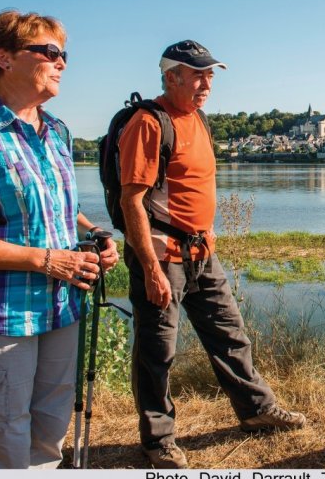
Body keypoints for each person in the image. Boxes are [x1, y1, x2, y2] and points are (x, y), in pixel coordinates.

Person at [0, 10, 120, 469]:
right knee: (0, 441)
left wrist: (94, 233)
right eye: (50, 52)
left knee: (48, 434)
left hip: (60, 310)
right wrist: (47, 261)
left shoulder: (56, 132)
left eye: (64, 54)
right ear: (4, 57)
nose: (62, 63)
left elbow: (57, 209)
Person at [118, 40, 306, 469]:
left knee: (230, 334)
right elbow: (132, 201)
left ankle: (257, 409)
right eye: (198, 75)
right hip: (163, 256)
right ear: (171, 77)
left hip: (203, 252)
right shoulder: (150, 123)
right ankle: (158, 439)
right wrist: (150, 267)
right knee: (157, 350)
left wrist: (206, 233)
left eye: (210, 75)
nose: (207, 84)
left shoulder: (198, 119)